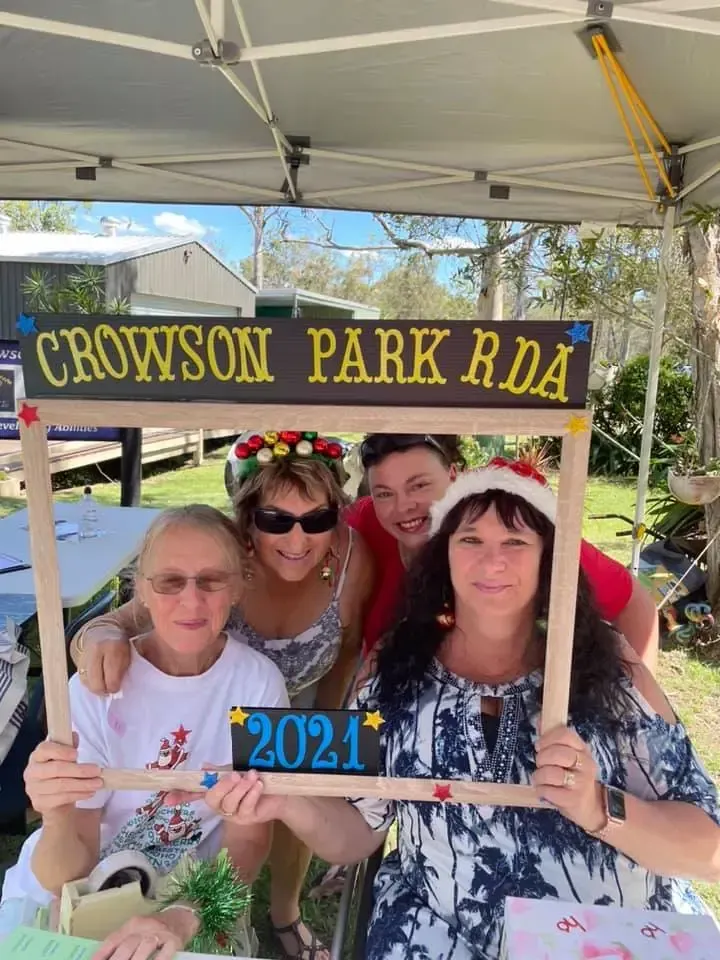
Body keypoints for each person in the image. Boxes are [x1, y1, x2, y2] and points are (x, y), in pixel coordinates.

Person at [190, 461, 720, 960]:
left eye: (515, 541)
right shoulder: (394, 668)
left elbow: (709, 851)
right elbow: (358, 832)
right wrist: (287, 799)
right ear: (443, 554)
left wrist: (598, 805)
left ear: (549, 559)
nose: (492, 561)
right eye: (470, 540)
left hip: (606, 934)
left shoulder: (609, 669)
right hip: (436, 931)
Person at [69, 433, 374, 960]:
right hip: (212, 690)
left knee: (295, 807)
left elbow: (346, 647)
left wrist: (323, 729)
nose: (297, 538)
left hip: (298, 695)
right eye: (276, 520)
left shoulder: (351, 560)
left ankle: (285, 913)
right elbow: (137, 612)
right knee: (232, 811)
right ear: (248, 523)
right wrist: (95, 635)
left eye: (317, 519)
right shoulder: (218, 564)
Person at [2, 504, 289, 957]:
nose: (191, 601)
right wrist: (55, 815)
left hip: (193, 892)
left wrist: (184, 913)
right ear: (141, 589)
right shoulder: (96, 689)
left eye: (212, 580)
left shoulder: (259, 685)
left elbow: (249, 841)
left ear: (237, 586)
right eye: (170, 581)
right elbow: (64, 876)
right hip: (77, 886)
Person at [345, 434, 660, 672]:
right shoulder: (366, 522)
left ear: (454, 476)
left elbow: (632, 603)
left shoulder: (512, 531)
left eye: (419, 486)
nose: (403, 506)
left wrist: (633, 701)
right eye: (384, 493)